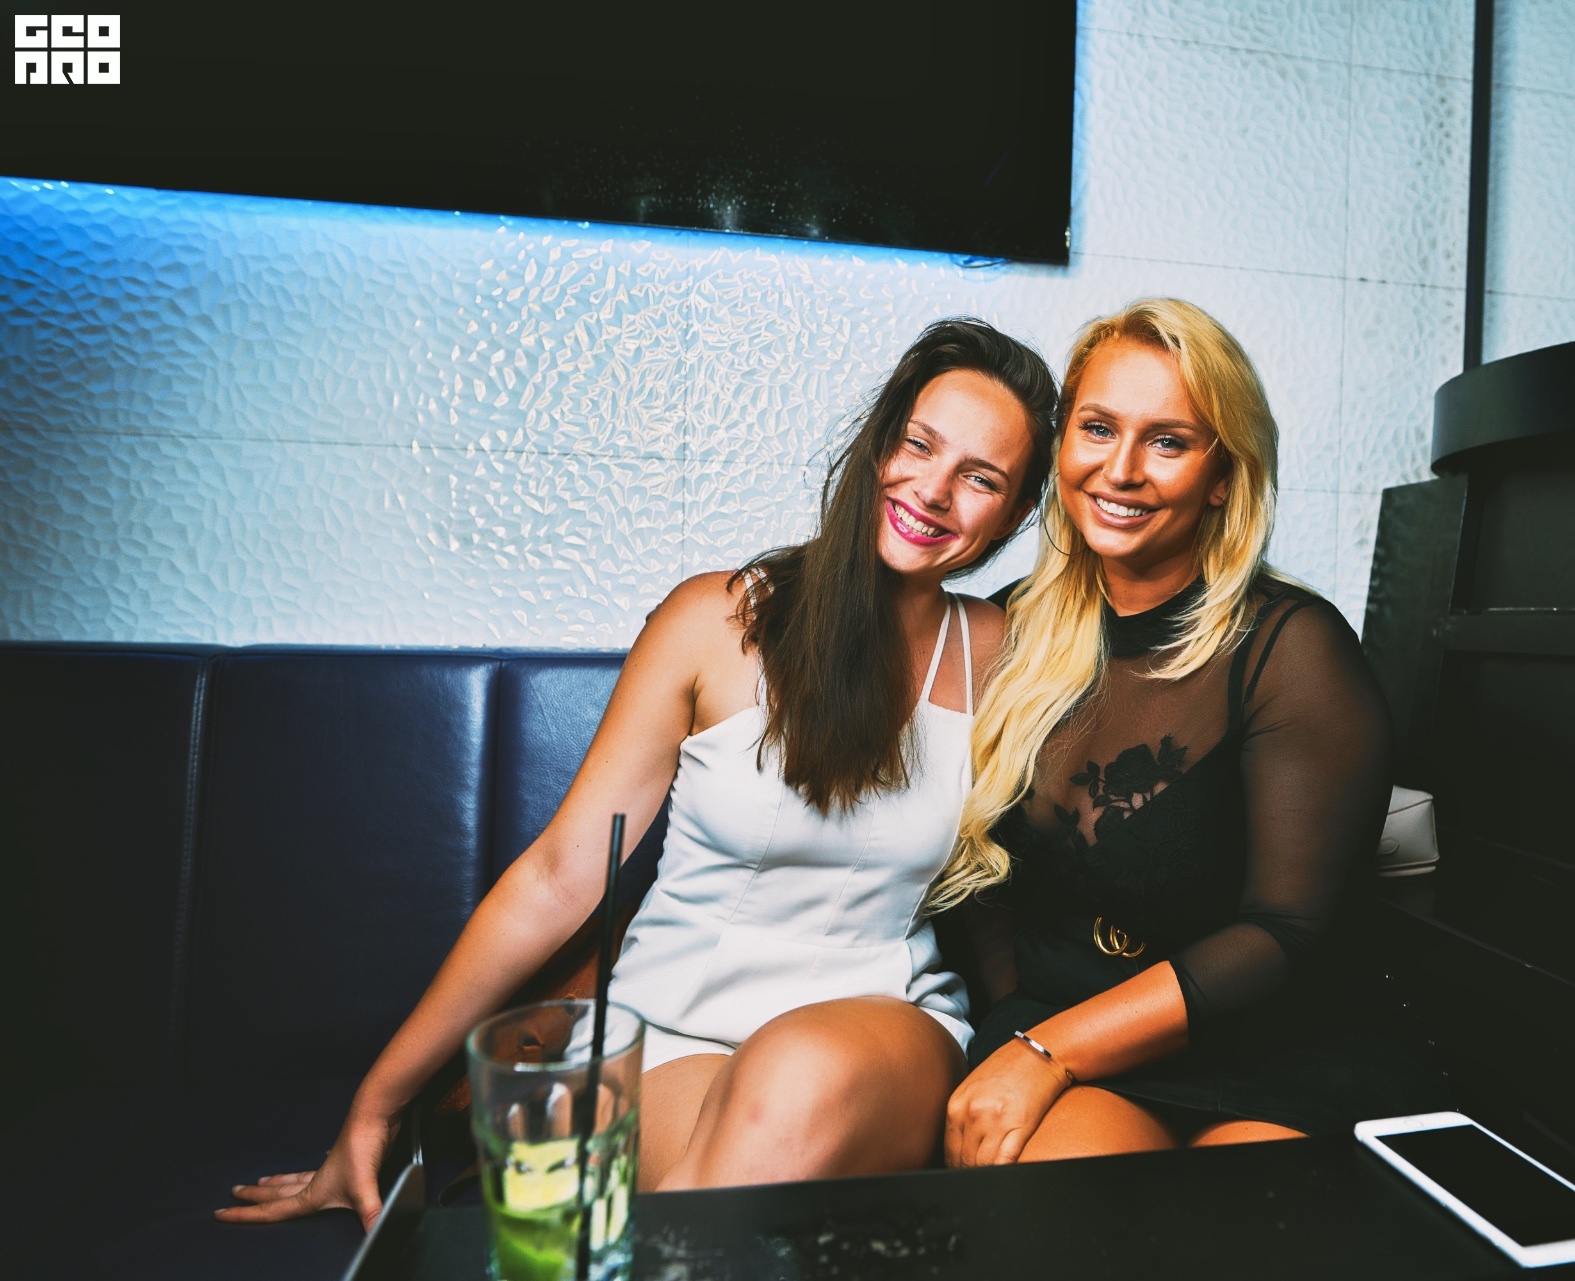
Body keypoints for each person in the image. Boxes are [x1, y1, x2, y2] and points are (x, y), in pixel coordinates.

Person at [220, 318, 1057, 1226]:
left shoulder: (1003, 655)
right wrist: (376, 1105)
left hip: (879, 1022)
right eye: (918, 445)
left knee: (796, 1075)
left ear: (1015, 515)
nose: (932, 489)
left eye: (981, 478)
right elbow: (557, 876)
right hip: (674, 1030)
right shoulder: (714, 621)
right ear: (879, 443)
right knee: (727, 1190)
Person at [939, 298, 1451, 1166]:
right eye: (1098, 428)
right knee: (1067, 1213)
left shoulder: (1293, 649)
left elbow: (1286, 930)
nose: (1121, 469)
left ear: (1223, 475)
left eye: (1168, 441)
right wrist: (1014, 1024)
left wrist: (1044, 1050)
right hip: (1063, 1033)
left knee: (1228, 1223)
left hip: (1276, 1053)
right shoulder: (1004, 630)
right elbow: (971, 879)